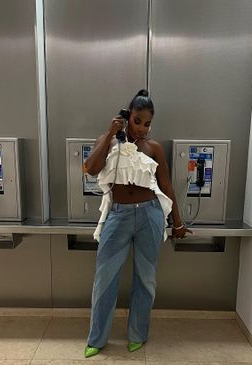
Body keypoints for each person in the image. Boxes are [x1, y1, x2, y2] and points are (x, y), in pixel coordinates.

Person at [83, 89, 192, 358]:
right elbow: (90, 168)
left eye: (147, 123)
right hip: (118, 216)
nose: (143, 128)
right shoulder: (108, 142)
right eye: (137, 120)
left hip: (150, 215)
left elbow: (166, 187)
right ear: (127, 116)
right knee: (105, 278)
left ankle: (138, 334)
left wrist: (177, 222)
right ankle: (97, 338)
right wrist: (110, 133)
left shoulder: (153, 148)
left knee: (146, 278)